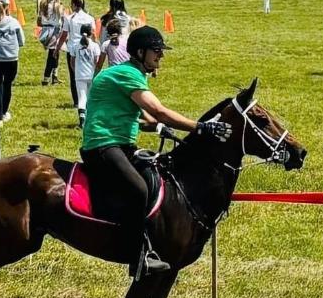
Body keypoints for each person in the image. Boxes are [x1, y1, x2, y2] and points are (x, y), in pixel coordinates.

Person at [80, 25, 232, 277]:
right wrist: (201, 127)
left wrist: (160, 128)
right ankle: (139, 255)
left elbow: (148, 118)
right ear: (140, 52)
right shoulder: (127, 75)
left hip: (121, 145)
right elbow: (159, 110)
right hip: (102, 146)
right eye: (157, 51)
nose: (161, 56)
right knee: (139, 189)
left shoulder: (131, 75)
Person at [54, 0, 94, 108]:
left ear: (74, 5)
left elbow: (64, 35)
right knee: (88, 73)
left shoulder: (69, 18)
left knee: (74, 75)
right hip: (88, 48)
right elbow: (94, 34)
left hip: (73, 49)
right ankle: (88, 98)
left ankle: (77, 101)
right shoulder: (89, 18)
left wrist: (57, 48)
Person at [74, 23, 100, 128]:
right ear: (91, 33)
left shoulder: (76, 45)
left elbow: (72, 60)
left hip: (80, 74)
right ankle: (91, 119)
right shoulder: (95, 46)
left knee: (82, 97)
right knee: (90, 97)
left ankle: (82, 119)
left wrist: (75, 70)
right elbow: (97, 61)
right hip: (91, 74)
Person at [37, 0, 64, 86]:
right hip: (54, 31)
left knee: (55, 54)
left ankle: (55, 76)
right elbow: (62, 17)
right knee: (52, 56)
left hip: (45, 31)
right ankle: (46, 78)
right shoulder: (57, 6)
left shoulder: (43, 4)